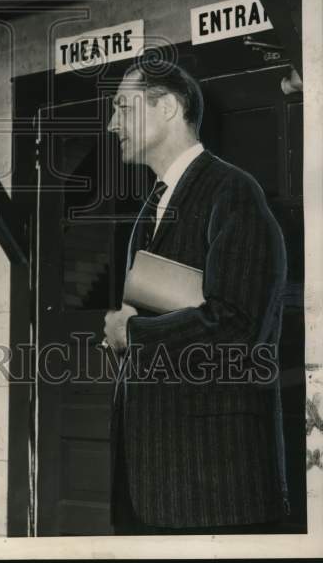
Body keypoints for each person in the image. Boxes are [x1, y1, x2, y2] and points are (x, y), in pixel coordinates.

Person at [103, 57, 290, 534]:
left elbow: (239, 323)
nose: (111, 125)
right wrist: (122, 340)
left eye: (122, 109)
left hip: (212, 486)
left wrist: (134, 332)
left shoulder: (233, 192)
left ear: (166, 108)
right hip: (154, 479)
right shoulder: (153, 205)